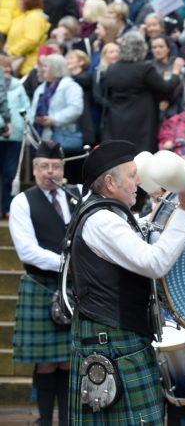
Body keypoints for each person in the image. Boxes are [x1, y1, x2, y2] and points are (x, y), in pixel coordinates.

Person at [68, 139, 185, 424]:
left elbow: (142, 234)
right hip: (114, 343)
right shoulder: (101, 221)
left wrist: (161, 207)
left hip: (120, 340)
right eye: (132, 175)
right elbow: (154, 263)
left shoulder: (109, 213)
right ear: (109, 182)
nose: (139, 180)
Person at [9, 141, 80, 426]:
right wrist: (68, 263)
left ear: (63, 169)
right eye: (43, 166)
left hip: (76, 290)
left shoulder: (77, 194)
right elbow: (27, 250)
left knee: (68, 360)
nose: (50, 172)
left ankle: (66, 421)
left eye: (56, 166)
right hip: (42, 286)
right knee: (47, 361)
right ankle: (44, 420)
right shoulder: (22, 201)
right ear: (34, 169)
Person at [103, 31, 184, 153]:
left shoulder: (112, 68)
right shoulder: (145, 68)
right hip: (142, 120)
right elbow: (166, 87)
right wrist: (176, 72)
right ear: (142, 49)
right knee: (142, 156)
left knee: (122, 155)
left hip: (117, 118)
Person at [30, 54, 84, 152]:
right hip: (41, 135)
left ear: (56, 67)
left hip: (62, 136)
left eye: (46, 66)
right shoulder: (41, 88)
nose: (42, 69)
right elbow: (33, 110)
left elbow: (75, 108)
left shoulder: (70, 86)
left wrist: (54, 119)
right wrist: (37, 118)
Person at [0, 55, 29, 218]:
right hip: (1, 133)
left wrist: (25, 128)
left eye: (7, 69)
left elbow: (27, 108)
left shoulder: (18, 86)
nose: (5, 73)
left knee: (11, 174)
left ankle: (8, 208)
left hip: (15, 135)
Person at [6, 0, 50, 76]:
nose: (18, 3)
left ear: (27, 2)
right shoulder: (26, 16)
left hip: (27, 64)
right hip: (20, 61)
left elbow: (31, 39)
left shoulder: (34, 17)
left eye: (20, 0)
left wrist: (13, 51)